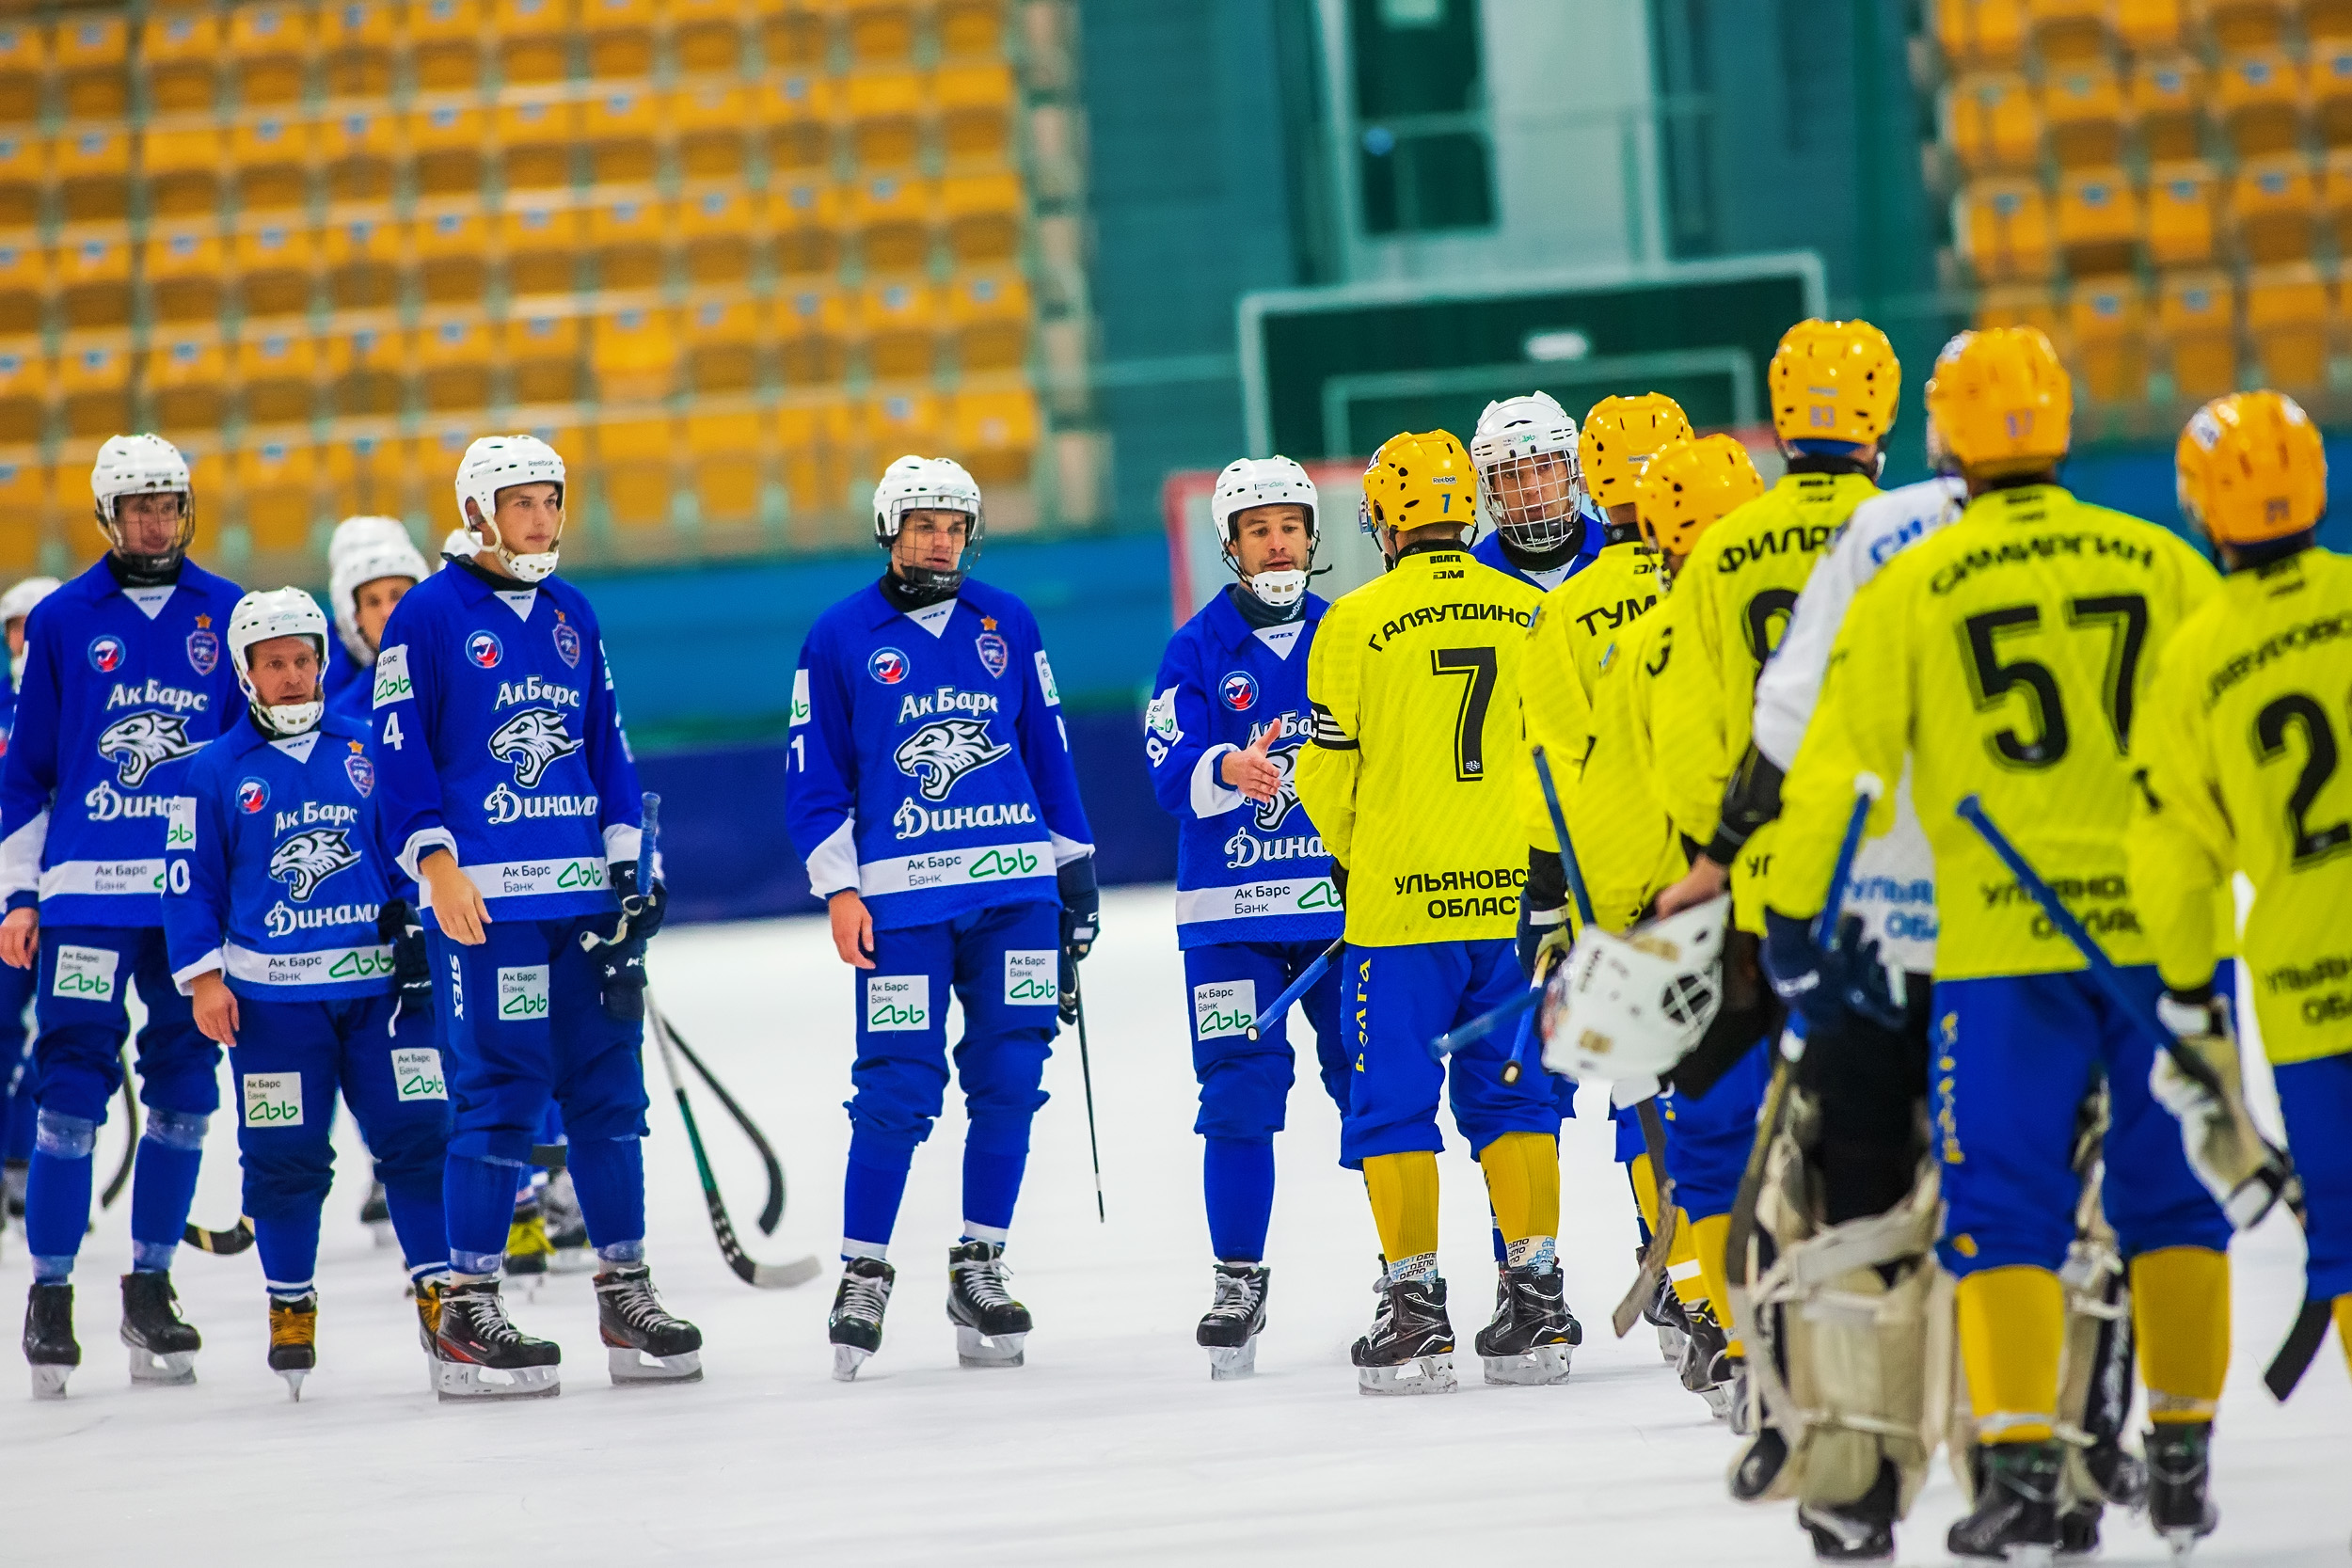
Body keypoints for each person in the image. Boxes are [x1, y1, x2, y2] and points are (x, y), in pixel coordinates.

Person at [1766, 326, 2233, 1560]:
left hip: (1996, 952)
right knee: (2169, 1197)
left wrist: (1792, 919)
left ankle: (2009, 1468)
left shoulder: (1914, 577)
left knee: (1999, 1207)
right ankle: (2176, 1460)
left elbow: (1830, 766)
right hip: (2156, 939)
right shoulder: (2162, 557)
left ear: (1940, 437)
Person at [373, 433, 697, 1400]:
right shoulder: (428, 615)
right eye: (522, 503)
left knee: (606, 1089)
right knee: (500, 1090)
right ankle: (466, 1301)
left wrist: (633, 861)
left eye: (551, 501)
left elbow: (608, 746)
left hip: (580, 900)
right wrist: (436, 862)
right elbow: (398, 755)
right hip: (486, 905)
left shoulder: (570, 611)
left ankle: (623, 1287)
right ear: (477, 511)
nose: (542, 520)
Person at [787, 454, 1098, 1382]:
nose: (938, 538)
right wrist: (840, 887)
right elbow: (813, 777)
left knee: (1010, 1075)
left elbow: (1049, 752)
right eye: (922, 523)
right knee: (895, 1089)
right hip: (903, 903)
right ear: (889, 529)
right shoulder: (838, 635)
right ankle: (862, 1270)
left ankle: (980, 1262)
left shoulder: (1009, 620)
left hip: (1015, 895)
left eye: (954, 524)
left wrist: (1073, 883)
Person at [1294, 428, 1573, 1395]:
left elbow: (1324, 776)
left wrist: (1360, 858)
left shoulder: (1354, 622)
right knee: (1518, 1095)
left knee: (1391, 1103)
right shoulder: (1530, 608)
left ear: (1381, 518)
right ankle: (1536, 1292)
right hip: (1511, 909)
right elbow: (1559, 753)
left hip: (1399, 913)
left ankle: (1416, 1311)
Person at [2128, 390, 2347, 1555]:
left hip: (2309, 983)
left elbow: (2172, 858)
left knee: (2348, 1235)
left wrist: (2184, 999)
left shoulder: (2200, 653)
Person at [162, 588, 451, 1400]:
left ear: (322, 662)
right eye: (273, 663)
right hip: (273, 1006)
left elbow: (412, 851)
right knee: (285, 1160)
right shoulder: (213, 770)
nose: (291, 676)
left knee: (418, 1138)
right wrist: (205, 976)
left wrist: (418, 927)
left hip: (383, 997)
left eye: (302, 659)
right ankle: (290, 1303)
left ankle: (440, 1292)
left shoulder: (368, 746)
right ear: (246, 672)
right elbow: (188, 885)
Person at [4, 436, 244, 1397]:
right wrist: (18, 891)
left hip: (188, 897)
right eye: (138, 507)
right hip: (87, 891)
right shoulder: (62, 619)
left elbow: (243, 768)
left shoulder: (228, 612)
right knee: (69, 1085)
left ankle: (150, 1280)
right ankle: (50, 1289)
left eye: (168, 504)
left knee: (186, 1085)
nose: (154, 521)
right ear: (108, 516)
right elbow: (26, 769)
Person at [1569, 432, 1767, 1418]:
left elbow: (1606, 810)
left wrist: (1614, 923)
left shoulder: (1650, 636)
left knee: (1715, 1134)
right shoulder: (1842, 591)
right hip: (1846, 912)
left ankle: (1735, 1337)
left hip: (1704, 927)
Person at [1144, 455, 1345, 1378]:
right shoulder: (1193, 648)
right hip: (1229, 919)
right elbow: (1163, 771)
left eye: (1290, 525)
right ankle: (1237, 1279)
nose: (1277, 541)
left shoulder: (1350, 635)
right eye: (1258, 528)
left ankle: (1404, 1276)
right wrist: (1226, 768)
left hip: (1346, 915)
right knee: (1234, 1092)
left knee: (1375, 1085)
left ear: (1312, 536)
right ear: (1229, 545)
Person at [1511, 393, 1693, 1361]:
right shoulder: (1716, 576)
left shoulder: (1566, 608)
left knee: (1645, 1083)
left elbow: (1551, 766)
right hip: (1729, 866)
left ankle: (1688, 1277)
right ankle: (1726, 1276)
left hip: (1616, 884)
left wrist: (1547, 895)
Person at [0, 575, 58, 1234]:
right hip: (6, 900)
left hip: (57, 896)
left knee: (57, 1041)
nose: (27, 637)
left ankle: (28, 1163)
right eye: (17, 626)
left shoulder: (73, 701)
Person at [1469, 391, 1602, 592]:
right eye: (1511, 475)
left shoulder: (1618, 550)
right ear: (1492, 488)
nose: (1531, 488)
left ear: (1571, 471)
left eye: (1545, 467)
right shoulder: (1473, 572)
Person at [323, 515, 428, 721]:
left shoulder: (462, 672)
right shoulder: (340, 714)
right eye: (372, 602)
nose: (387, 612)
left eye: (397, 596)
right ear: (356, 616)